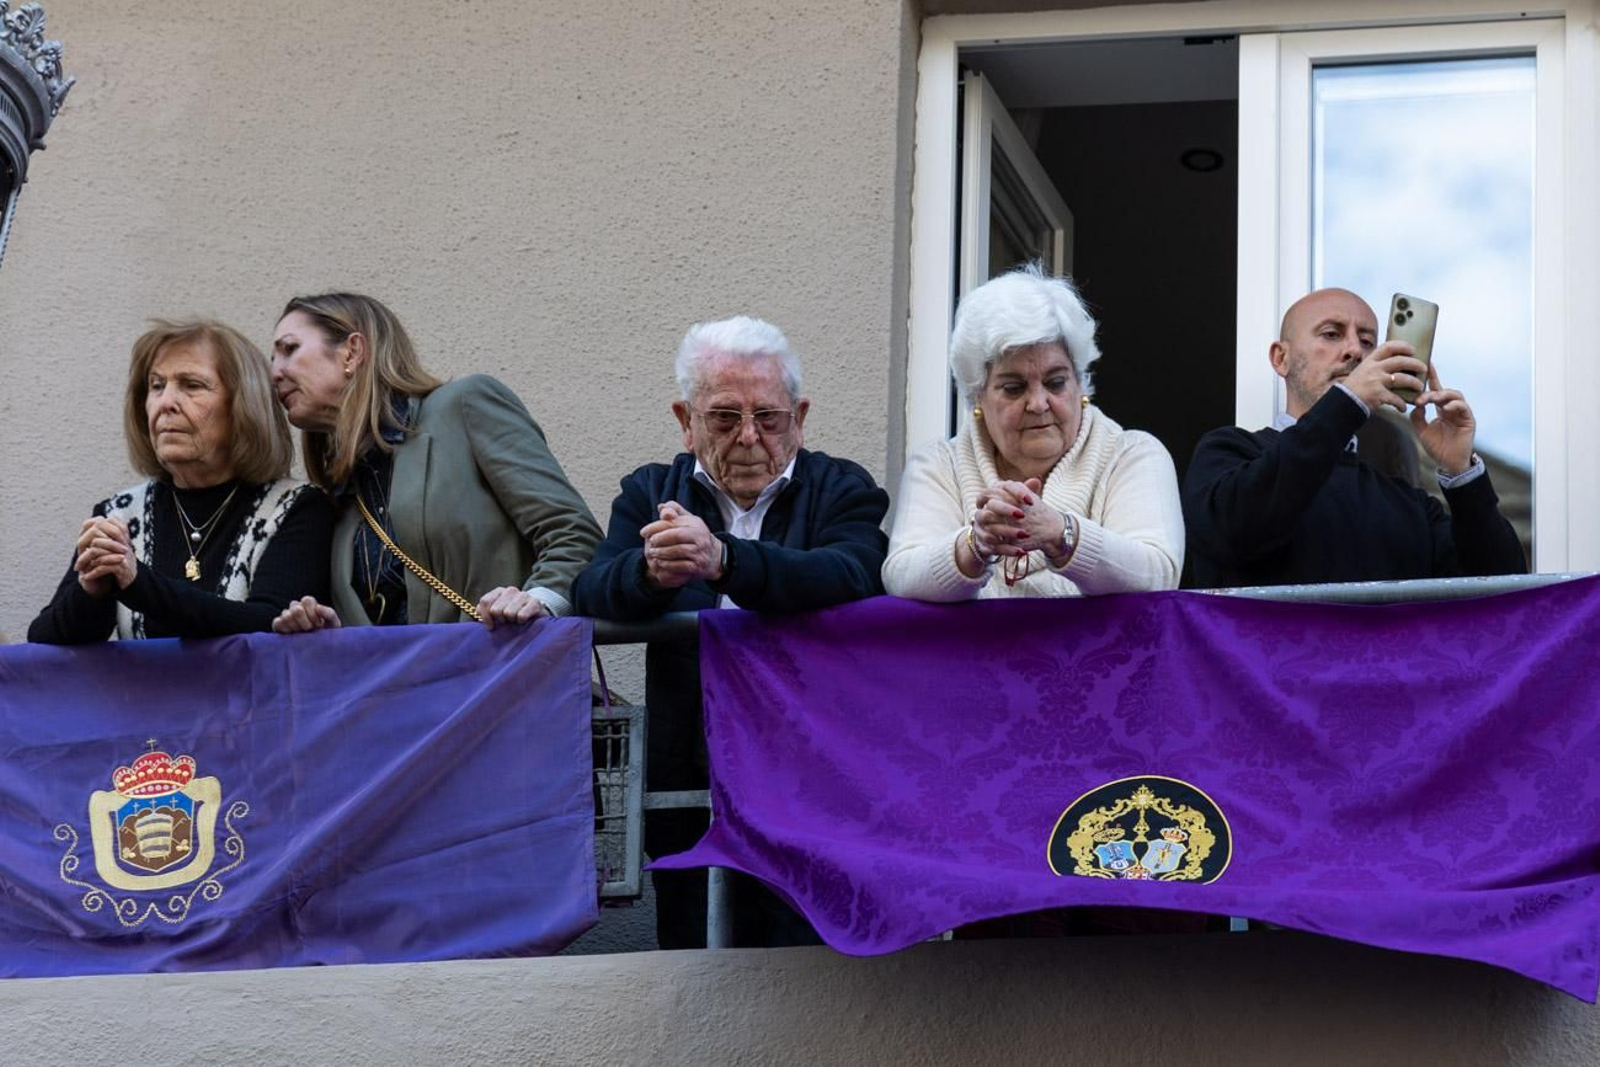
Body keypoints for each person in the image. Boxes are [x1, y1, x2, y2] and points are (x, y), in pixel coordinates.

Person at [571, 315, 889, 949]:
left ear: (799, 416)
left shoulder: (841, 487)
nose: (749, 437)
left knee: (811, 968)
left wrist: (724, 561)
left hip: (815, 782)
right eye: (723, 418)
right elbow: (591, 589)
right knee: (695, 964)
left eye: (768, 419)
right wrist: (650, 573)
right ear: (684, 420)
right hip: (688, 781)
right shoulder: (650, 491)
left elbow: (854, 574)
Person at [267, 292, 601, 631]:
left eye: (290, 349)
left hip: (501, 674)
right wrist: (334, 632)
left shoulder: (463, 406)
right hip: (406, 683)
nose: (274, 374)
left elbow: (573, 534)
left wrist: (539, 601)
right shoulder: (339, 491)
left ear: (352, 351)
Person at [1181, 287, 1526, 587]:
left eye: (1367, 342)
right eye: (1331, 334)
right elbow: (1238, 532)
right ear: (1281, 358)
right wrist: (1346, 404)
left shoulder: (1408, 504)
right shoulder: (1230, 452)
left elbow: (1500, 588)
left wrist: (1461, 474)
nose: (1354, 352)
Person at [882, 266, 1184, 600]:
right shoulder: (939, 466)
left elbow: (1158, 572)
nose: (1039, 403)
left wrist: (1060, 534)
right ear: (977, 395)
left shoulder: (1132, 454)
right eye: (1013, 388)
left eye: (1056, 382)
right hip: (974, 654)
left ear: (1080, 382)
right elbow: (902, 575)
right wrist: (976, 544)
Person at [29, 320, 333, 643]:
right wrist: (92, 591)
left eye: (192, 385)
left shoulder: (295, 508)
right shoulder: (119, 514)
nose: (166, 403)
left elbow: (268, 624)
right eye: (157, 386)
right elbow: (43, 643)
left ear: (243, 406)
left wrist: (136, 583)